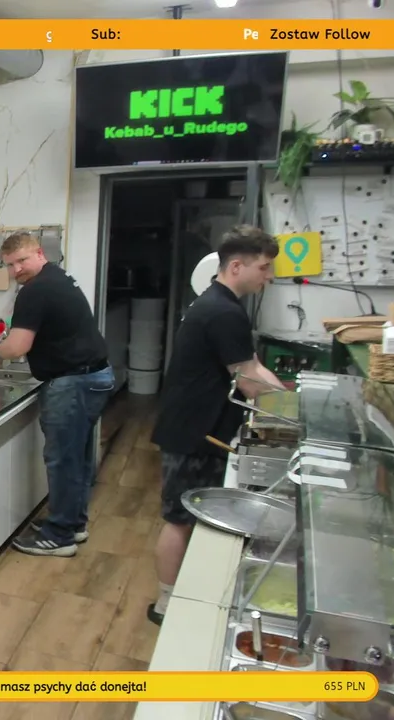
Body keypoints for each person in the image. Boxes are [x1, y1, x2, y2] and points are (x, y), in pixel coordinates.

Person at [147, 225, 284, 625]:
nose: (268, 277)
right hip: (193, 432)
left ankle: (183, 594)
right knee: (178, 519)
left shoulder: (221, 304)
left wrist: (287, 397)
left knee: (188, 517)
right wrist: (291, 410)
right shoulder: (222, 311)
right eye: (264, 268)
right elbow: (249, 381)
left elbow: (250, 366)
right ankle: (166, 604)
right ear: (237, 266)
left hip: (201, 427)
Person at [0, 232, 114, 557]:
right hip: (92, 376)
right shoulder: (58, 277)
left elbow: (18, 345)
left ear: (39, 253)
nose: (17, 270)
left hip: (73, 382)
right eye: (10, 265)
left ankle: (59, 536)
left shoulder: (36, 290)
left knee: (63, 460)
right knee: (77, 458)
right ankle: (73, 524)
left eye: (22, 261)